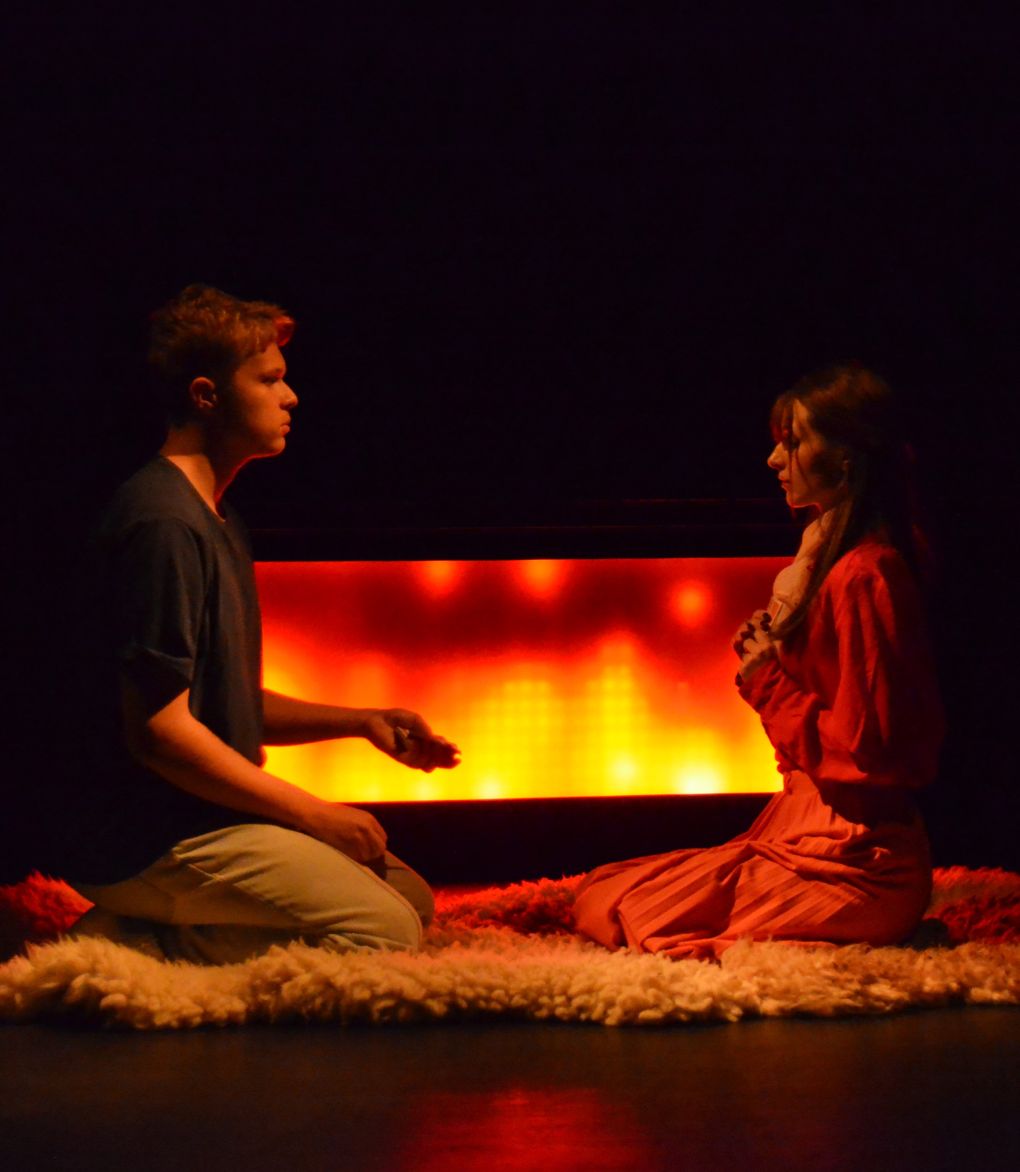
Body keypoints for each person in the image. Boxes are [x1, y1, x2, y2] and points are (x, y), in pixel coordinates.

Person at [62, 284, 459, 964]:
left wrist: (361, 720)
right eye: (269, 380)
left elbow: (220, 704)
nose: (291, 396)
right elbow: (158, 733)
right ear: (206, 396)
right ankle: (134, 944)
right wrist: (312, 813)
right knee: (386, 930)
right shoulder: (162, 524)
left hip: (206, 819)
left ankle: (155, 929)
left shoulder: (217, 518)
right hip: (149, 838)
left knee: (410, 902)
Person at [573, 364, 943, 960]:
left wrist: (771, 681)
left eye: (792, 442)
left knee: (635, 914)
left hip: (856, 859)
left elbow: (875, 756)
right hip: (804, 829)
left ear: (847, 455)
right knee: (604, 889)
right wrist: (776, 660)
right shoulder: (829, 562)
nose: (774, 460)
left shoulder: (866, 574)